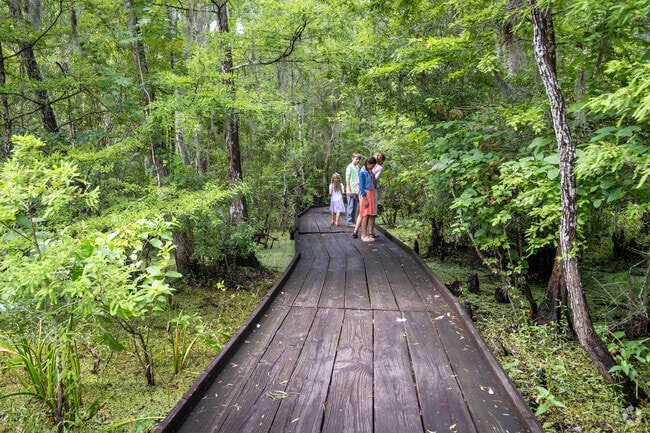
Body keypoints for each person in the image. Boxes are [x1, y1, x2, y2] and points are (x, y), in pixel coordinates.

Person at [353, 152, 385, 238]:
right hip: (368, 192)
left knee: (366, 212)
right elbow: (365, 182)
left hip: (368, 191)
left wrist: (357, 188)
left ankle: (358, 231)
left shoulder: (369, 170)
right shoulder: (366, 170)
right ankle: (365, 234)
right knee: (366, 213)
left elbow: (371, 181)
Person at [358, 156, 377, 242]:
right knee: (365, 215)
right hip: (366, 194)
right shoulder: (362, 172)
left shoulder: (370, 172)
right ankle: (363, 235)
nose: (373, 167)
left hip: (371, 193)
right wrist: (364, 198)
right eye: (372, 166)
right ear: (367, 163)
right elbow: (361, 186)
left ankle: (367, 235)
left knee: (369, 214)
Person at [345, 152, 362, 226]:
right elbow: (347, 178)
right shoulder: (349, 167)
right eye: (356, 159)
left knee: (355, 206)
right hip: (351, 190)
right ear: (352, 158)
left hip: (356, 189)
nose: (358, 160)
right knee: (350, 206)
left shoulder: (357, 167)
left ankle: (353, 221)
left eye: (359, 159)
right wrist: (349, 189)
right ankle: (349, 221)